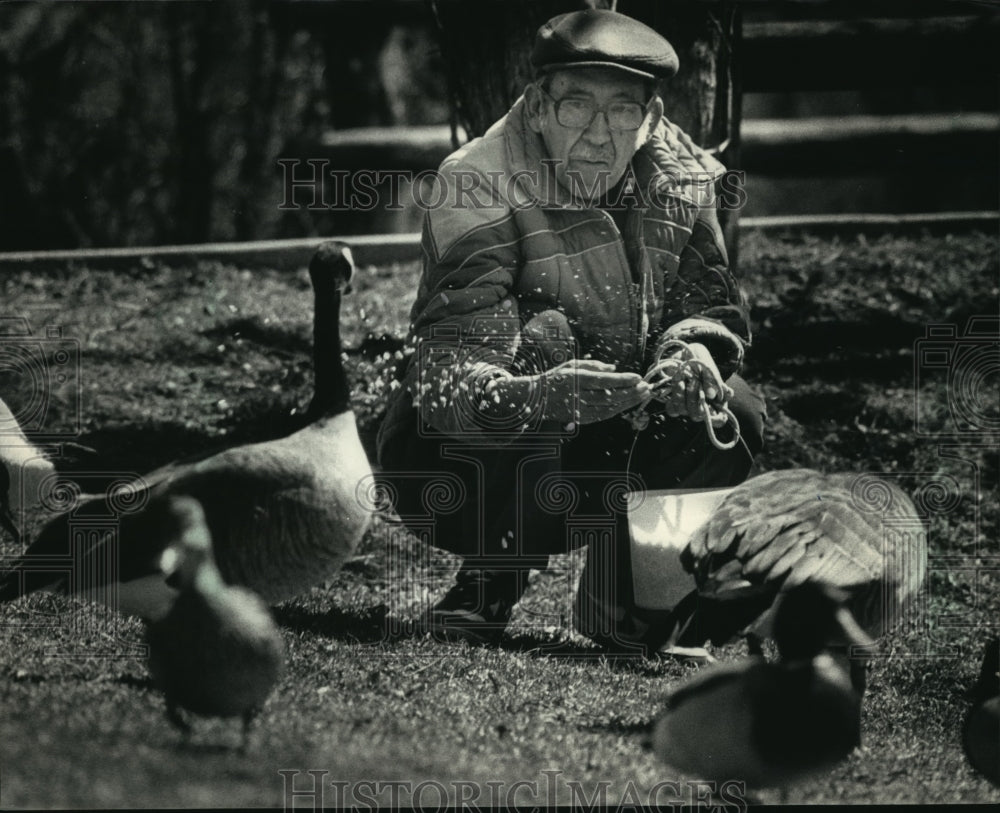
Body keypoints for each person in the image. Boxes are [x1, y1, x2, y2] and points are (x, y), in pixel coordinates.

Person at [376, 8, 765, 652]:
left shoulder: (686, 181)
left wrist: (690, 354)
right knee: (547, 339)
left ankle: (628, 600)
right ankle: (490, 581)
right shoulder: (476, 183)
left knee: (734, 407)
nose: (597, 133)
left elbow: (711, 305)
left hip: (612, 420)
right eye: (576, 106)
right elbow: (447, 376)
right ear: (535, 107)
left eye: (621, 112)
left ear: (651, 119)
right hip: (447, 457)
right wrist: (541, 395)